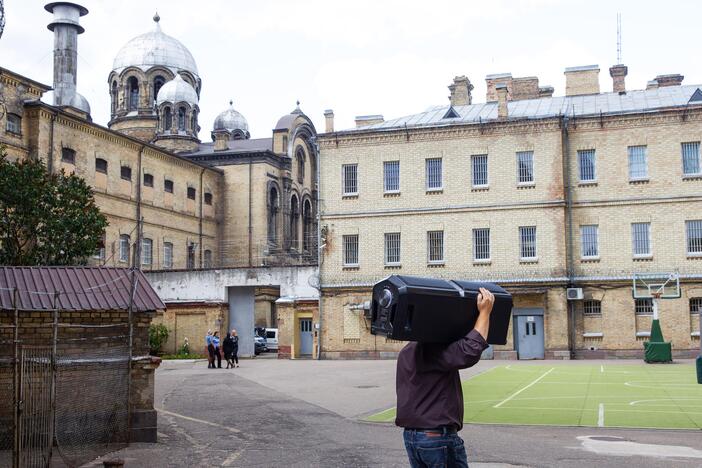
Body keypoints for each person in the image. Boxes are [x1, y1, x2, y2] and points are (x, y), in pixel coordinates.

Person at [396, 287, 495, 468]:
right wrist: (484, 312)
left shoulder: (407, 350)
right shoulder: (433, 349)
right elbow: (470, 350)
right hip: (435, 437)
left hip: (412, 437)